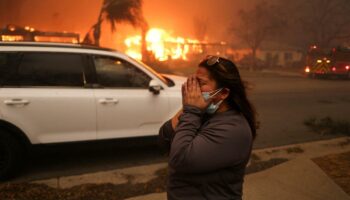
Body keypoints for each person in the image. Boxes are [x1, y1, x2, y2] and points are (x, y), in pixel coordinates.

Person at [158, 55, 258, 200]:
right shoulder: (201, 113)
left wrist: (191, 109)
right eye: (194, 82)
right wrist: (188, 107)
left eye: (201, 83)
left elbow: (179, 159)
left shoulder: (233, 129)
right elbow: (164, 139)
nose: (194, 89)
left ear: (223, 93)